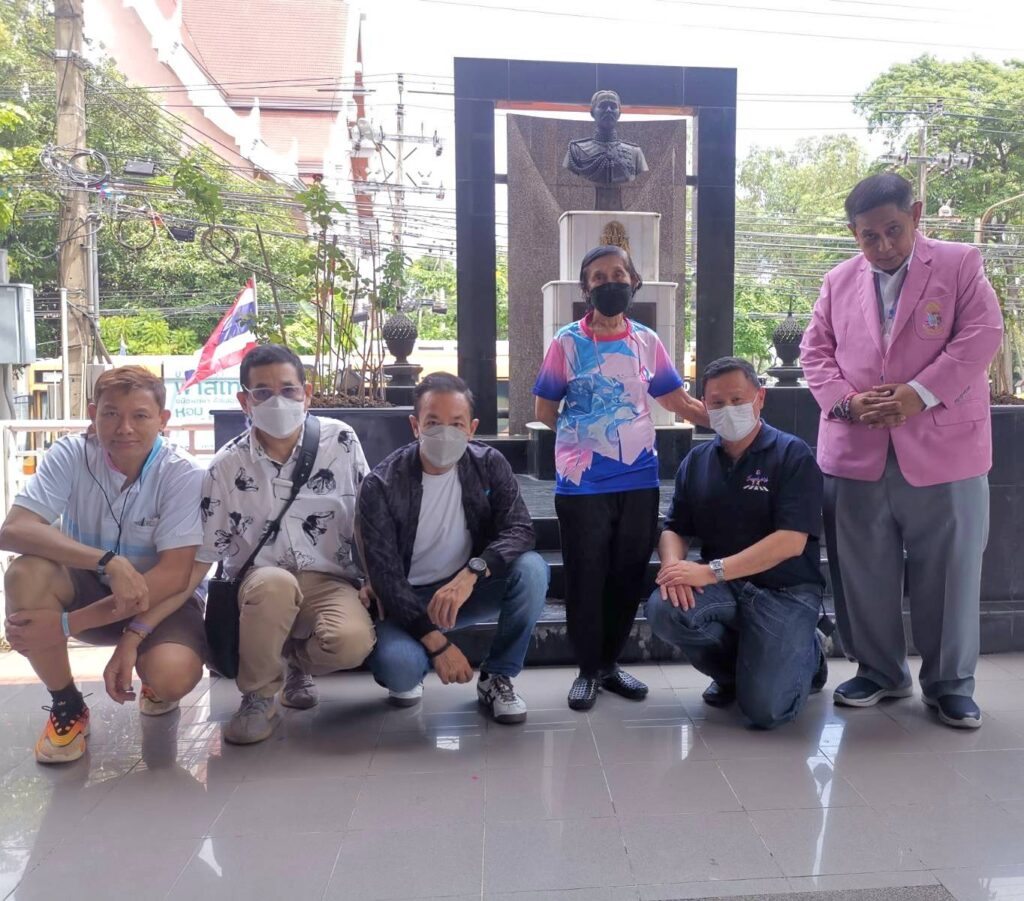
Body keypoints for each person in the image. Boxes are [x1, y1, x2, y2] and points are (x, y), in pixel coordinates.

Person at [801, 173, 1003, 729]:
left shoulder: (960, 263)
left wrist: (919, 393)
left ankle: (950, 684)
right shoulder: (837, 281)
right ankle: (879, 671)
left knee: (951, 571)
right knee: (861, 569)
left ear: (915, 215)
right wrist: (846, 403)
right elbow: (815, 352)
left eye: (893, 230)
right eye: (869, 236)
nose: (884, 245)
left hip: (946, 450)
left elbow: (982, 335)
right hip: (857, 449)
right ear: (854, 234)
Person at [533, 244, 708, 711]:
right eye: (598, 276)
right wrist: (585, 438)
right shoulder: (566, 343)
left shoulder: (646, 341)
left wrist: (729, 420)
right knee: (586, 574)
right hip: (583, 484)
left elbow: (676, 400)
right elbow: (545, 410)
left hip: (639, 479)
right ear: (585, 288)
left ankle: (610, 664)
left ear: (633, 282)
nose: (609, 282)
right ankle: (587, 670)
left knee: (628, 574)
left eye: (618, 274)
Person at [1, 366, 206, 763]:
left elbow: (174, 576)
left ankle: (152, 680)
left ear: (163, 420)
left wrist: (67, 626)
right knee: (25, 573)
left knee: (173, 674)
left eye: (140, 415)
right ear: (93, 415)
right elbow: (13, 530)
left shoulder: (182, 473)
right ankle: (67, 704)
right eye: (111, 414)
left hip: (158, 602)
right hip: (88, 585)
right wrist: (109, 562)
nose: (124, 428)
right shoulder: (71, 453)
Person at [196, 344, 375, 745]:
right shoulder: (226, 466)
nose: (277, 400)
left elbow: (365, 513)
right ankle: (259, 697)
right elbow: (209, 548)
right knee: (275, 584)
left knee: (351, 642)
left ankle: (294, 662)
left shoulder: (340, 441)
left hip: (328, 578)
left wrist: (372, 578)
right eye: (262, 392)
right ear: (244, 401)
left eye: (288, 389)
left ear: (306, 394)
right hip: (261, 581)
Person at [644, 357, 827, 729]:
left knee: (766, 712)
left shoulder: (792, 455)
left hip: (785, 591)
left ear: (760, 397)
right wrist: (673, 568)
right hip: (725, 588)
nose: (728, 409)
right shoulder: (698, 461)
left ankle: (810, 654)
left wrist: (711, 571)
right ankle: (733, 675)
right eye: (717, 403)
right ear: (704, 405)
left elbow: (791, 541)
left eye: (737, 399)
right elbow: (675, 527)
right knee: (665, 608)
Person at [358, 372, 548, 724]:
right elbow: (385, 577)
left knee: (532, 570)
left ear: (471, 428)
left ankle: (497, 677)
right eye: (433, 423)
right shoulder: (381, 483)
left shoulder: (488, 464)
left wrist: (472, 573)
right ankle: (415, 655)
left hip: (464, 591)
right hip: (406, 599)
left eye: (457, 424)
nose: (445, 433)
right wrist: (438, 645)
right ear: (415, 426)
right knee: (401, 672)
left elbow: (520, 529)